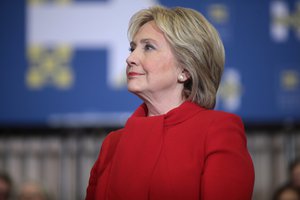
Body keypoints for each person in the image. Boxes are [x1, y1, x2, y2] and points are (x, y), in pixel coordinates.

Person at [86, 5, 255, 200]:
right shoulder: (112, 144)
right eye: (132, 48)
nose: (130, 58)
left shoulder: (218, 130)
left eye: (148, 47)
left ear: (185, 69)